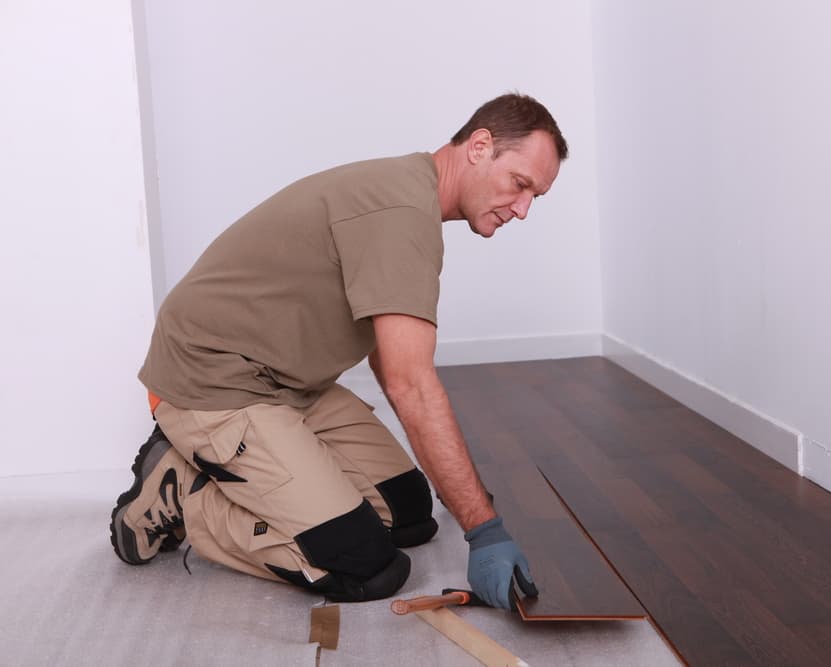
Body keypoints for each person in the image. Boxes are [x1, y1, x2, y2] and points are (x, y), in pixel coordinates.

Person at [109, 93, 568, 610]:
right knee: (367, 565)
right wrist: (485, 530)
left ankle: (255, 467)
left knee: (410, 515)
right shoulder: (400, 212)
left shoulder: (409, 196)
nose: (524, 209)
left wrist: (470, 509)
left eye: (537, 197)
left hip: (289, 383)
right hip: (214, 384)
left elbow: (387, 354)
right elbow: (409, 385)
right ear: (480, 147)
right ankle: (183, 498)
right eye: (521, 184)